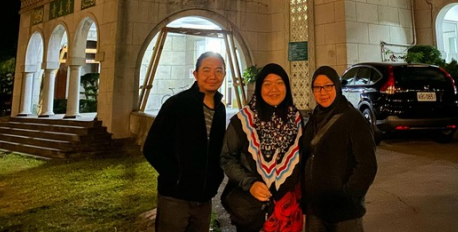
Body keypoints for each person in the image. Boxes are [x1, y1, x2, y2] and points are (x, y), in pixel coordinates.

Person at [143, 51, 228, 232]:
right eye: (206, 70)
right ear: (195, 74)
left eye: (218, 71)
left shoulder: (220, 110)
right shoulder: (177, 104)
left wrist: (214, 179)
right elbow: (151, 148)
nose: (213, 76)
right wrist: (176, 176)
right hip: (175, 197)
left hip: (204, 198)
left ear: (224, 74)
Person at [220, 63, 304, 232]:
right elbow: (226, 157)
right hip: (255, 210)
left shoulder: (295, 119)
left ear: (287, 86)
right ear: (259, 88)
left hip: (289, 211)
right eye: (267, 84)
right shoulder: (243, 121)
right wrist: (249, 183)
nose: (274, 89)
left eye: (279, 83)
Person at [301, 66, 378, 232]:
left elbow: (367, 165)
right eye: (317, 87)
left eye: (328, 86)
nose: (323, 92)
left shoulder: (353, 119)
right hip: (315, 210)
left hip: (344, 214)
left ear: (337, 87)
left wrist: (347, 196)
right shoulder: (314, 119)